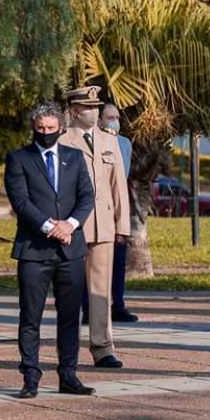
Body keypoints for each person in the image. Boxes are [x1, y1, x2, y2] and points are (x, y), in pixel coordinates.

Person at [4, 101, 96, 399]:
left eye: (51, 129)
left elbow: (86, 197)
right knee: (30, 316)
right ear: (34, 127)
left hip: (71, 250)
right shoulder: (19, 159)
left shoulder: (75, 157)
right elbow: (20, 202)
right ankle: (30, 376)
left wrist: (69, 225)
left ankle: (68, 374)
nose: (45, 133)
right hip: (34, 250)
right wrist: (49, 227)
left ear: (61, 129)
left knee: (70, 316)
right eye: (40, 129)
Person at [60, 86, 130, 369]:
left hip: (103, 226)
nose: (96, 112)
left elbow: (118, 186)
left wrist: (122, 225)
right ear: (75, 111)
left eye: (97, 107)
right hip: (72, 227)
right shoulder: (62, 140)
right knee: (70, 291)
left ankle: (103, 348)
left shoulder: (109, 140)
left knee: (102, 291)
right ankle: (68, 350)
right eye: (89, 108)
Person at [96, 103, 137, 322]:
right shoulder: (91, 143)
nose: (114, 121)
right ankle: (89, 306)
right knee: (92, 261)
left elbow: (123, 177)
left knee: (119, 259)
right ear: (100, 120)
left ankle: (117, 304)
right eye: (110, 117)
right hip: (95, 209)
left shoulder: (124, 144)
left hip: (117, 207)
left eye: (117, 117)